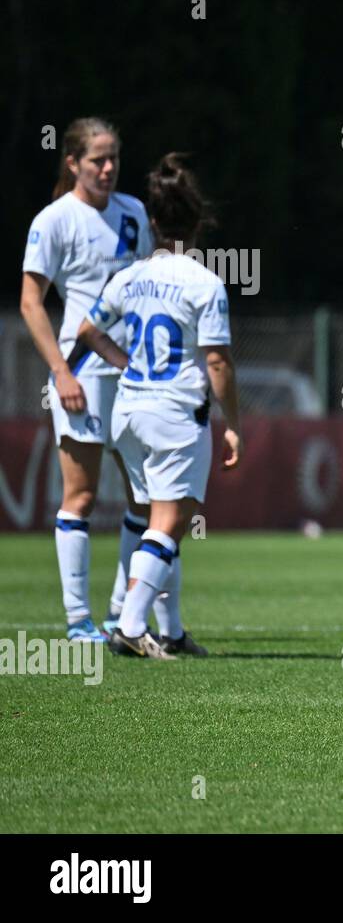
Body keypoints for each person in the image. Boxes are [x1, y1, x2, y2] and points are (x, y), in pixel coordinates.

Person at [76, 153, 241, 658]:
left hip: (128, 413)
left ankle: (169, 631)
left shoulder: (129, 277)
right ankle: (128, 624)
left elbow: (87, 331)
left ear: (152, 222)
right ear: (197, 224)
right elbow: (216, 362)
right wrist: (233, 421)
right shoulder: (205, 283)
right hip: (174, 415)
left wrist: (126, 364)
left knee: (158, 522)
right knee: (169, 524)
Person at [20, 117, 154, 643]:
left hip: (133, 376)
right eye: (98, 158)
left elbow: (147, 288)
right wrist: (59, 371)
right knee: (82, 496)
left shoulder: (134, 213)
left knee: (147, 496)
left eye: (114, 157)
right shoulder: (55, 220)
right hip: (82, 375)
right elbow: (32, 301)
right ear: (73, 162)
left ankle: (123, 614)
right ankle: (79, 620)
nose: (108, 167)